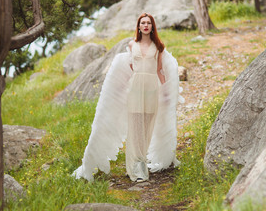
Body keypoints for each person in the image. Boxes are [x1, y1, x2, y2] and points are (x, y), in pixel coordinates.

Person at [73, 13, 183, 182]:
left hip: (152, 90)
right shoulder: (132, 45)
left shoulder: (158, 46)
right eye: (142, 23)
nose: (145, 25)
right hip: (136, 90)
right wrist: (118, 88)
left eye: (148, 23)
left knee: (147, 128)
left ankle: (141, 161)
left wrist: (167, 92)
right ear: (138, 27)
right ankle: (136, 167)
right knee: (135, 129)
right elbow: (130, 68)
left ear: (152, 26)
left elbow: (160, 70)